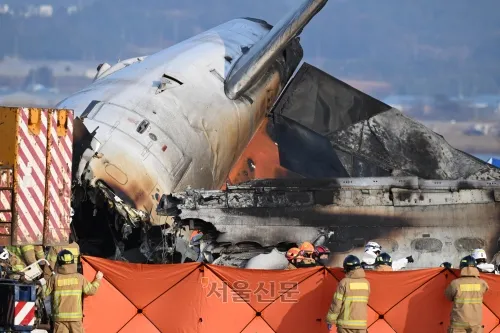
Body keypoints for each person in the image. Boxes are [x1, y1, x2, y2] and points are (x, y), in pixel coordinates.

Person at [40, 249, 103, 333]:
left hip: (59, 319)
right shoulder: (79, 278)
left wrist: (39, 283)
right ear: (73, 262)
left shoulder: (54, 278)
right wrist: (97, 280)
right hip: (75, 319)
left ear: (59, 263)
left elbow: (43, 293)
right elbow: (91, 291)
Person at [326, 255, 370, 332]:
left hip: (345, 325)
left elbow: (336, 304)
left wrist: (330, 320)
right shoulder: (366, 283)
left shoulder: (344, 282)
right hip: (361, 325)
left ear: (347, 269)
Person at [445, 255, 488, 333]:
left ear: (462, 268)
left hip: (458, 324)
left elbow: (448, 297)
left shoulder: (455, 283)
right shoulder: (482, 283)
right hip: (475, 324)